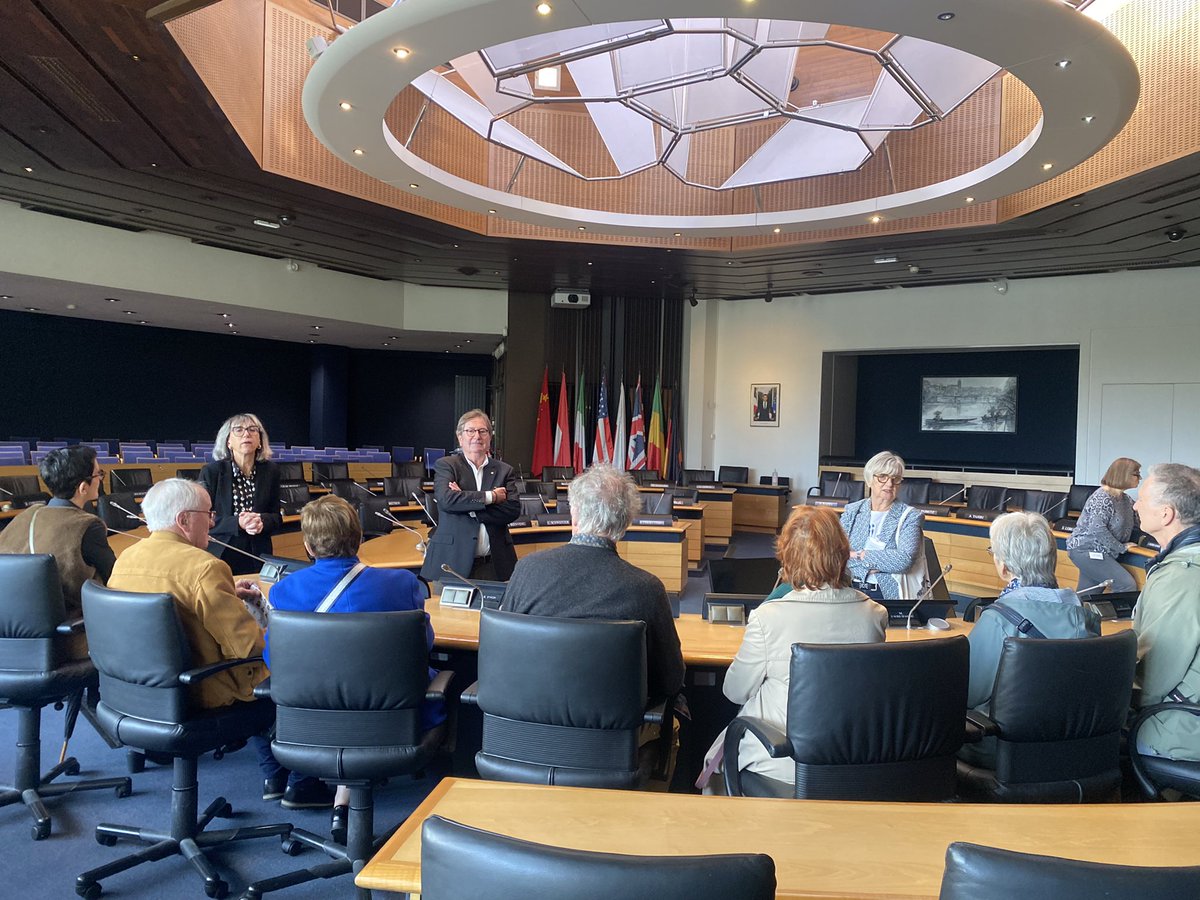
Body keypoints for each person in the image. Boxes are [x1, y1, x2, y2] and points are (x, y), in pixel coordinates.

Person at [107, 479, 330, 809]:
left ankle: (274, 776)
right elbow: (247, 647)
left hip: (134, 694)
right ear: (184, 520)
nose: (212, 522)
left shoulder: (126, 559)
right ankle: (304, 785)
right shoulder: (205, 567)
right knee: (294, 675)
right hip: (198, 696)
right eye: (208, 514)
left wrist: (226, 598)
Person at [265, 494, 445, 839]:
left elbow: (277, 663)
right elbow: (422, 648)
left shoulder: (284, 591)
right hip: (392, 726)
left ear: (307, 546)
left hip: (309, 726)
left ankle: (340, 795)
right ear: (360, 537)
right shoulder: (403, 585)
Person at [703, 505, 886, 791]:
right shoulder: (874, 614)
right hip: (850, 758)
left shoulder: (769, 617)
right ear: (842, 552)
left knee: (713, 768)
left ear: (787, 554)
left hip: (780, 760)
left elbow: (734, 691)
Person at [502, 464, 684, 707]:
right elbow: (670, 680)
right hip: (611, 738)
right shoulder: (647, 589)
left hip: (528, 726)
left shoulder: (527, 569)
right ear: (626, 522)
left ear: (573, 513)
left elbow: (504, 651)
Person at [960, 512, 1100, 769]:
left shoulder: (998, 620)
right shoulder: (1086, 616)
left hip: (1008, 751)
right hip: (1078, 749)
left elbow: (967, 694)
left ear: (1004, 566)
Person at [0, 445, 114, 658]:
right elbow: (116, 577)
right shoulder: (87, 525)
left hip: (11, 644)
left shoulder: (24, 517)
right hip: (70, 641)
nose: (101, 478)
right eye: (99, 474)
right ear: (83, 487)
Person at [1131, 463, 1200, 762]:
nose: (1134, 505)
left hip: (1181, 735)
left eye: (1142, 499)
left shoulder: (1180, 578)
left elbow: (1151, 682)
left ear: (1166, 514)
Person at [420, 409, 519, 585]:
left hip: (495, 564)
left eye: (483, 431)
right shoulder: (447, 465)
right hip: (451, 562)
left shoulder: (505, 470)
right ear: (460, 437)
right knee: (447, 613)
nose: (477, 436)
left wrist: (469, 507)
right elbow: (447, 500)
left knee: (494, 612)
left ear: (490, 437)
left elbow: (512, 510)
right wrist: (491, 497)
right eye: (470, 431)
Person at [199, 413, 282, 575]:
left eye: (252, 430)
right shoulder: (212, 472)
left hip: (258, 552)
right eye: (239, 430)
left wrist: (261, 521)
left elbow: (276, 517)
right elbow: (203, 518)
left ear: (259, 441)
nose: (246, 434)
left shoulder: (271, 471)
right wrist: (238, 522)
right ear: (228, 441)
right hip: (222, 551)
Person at [841, 450, 926, 600]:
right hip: (849, 588)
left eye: (896, 478)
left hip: (886, 593)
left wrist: (859, 555)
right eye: (882, 477)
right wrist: (882, 563)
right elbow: (837, 553)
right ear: (869, 480)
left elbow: (903, 560)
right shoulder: (852, 511)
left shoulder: (911, 516)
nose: (889, 483)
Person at [1066, 457, 1141, 594]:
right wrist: (1121, 547)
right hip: (1087, 551)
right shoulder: (1102, 497)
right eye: (1136, 474)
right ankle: (1118, 616)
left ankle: (1076, 615)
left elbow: (1137, 525)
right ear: (1123, 474)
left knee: (1087, 595)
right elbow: (1097, 529)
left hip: (1101, 553)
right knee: (1125, 585)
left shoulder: (1126, 499)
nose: (1140, 478)